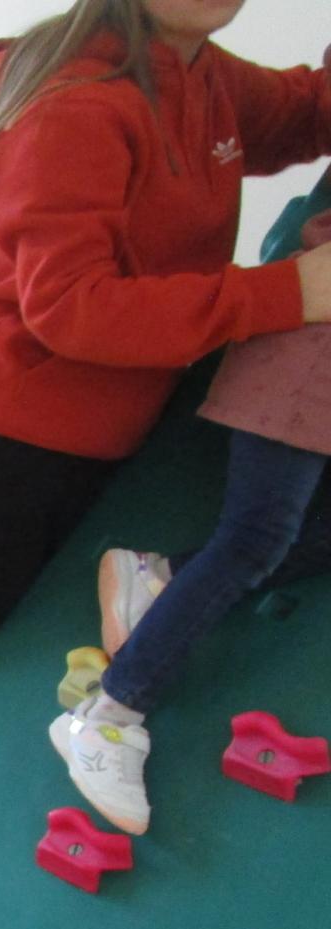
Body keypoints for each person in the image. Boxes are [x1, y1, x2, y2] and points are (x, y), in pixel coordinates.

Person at [0, 0, 331, 833]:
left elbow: (305, 112)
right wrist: (288, 292)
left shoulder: (204, 74)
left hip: (97, 444)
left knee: (21, 684)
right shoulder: (79, 101)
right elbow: (73, 308)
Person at [57, 190, 331, 833]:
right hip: (311, 354)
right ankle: (107, 719)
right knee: (254, 538)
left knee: (270, 537)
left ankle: (156, 576)